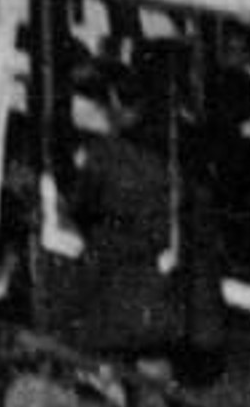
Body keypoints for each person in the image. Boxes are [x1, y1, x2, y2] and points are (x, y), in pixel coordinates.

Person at [39, 38, 223, 365]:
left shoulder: (109, 154)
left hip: (127, 290)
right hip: (185, 301)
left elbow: (81, 213)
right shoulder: (185, 139)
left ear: (108, 100)